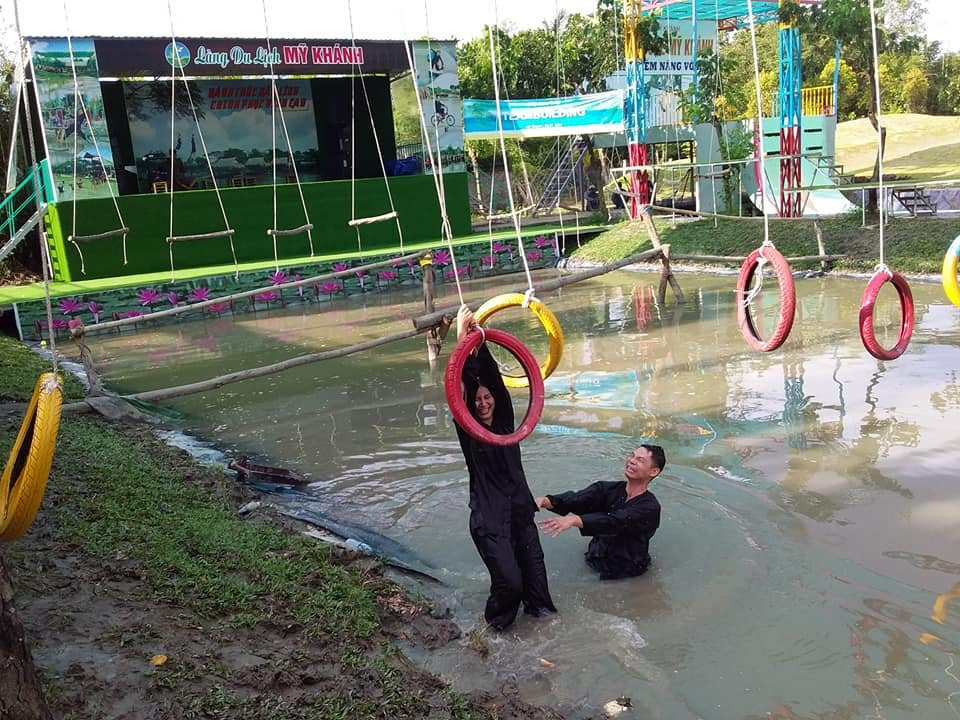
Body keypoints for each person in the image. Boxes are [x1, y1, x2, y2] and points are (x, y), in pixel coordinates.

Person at [453, 305, 557, 630]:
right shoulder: (470, 428)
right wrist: (462, 340)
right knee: (510, 585)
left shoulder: (507, 424)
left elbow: (495, 385)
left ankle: (545, 640)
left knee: (538, 593)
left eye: (488, 399)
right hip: (490, 518)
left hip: (520, 511)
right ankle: (493, 634)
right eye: (478, 401)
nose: (484, 404)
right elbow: (463, 389)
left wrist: (480, 341)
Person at [536, 444, 665, 580]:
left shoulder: (650, 507)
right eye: (632, 455)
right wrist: (544, 501)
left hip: (627, 570)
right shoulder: (606, 489)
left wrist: (574, 520)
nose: (631, 460)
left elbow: (615, 521)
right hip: (595, 558)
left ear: (654, 471)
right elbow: (577, 499)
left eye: (640, 460)